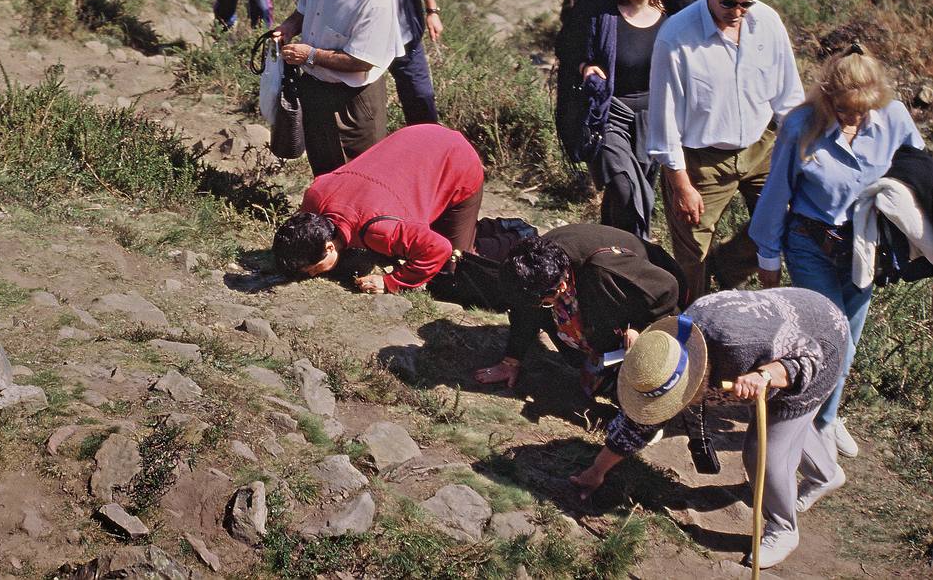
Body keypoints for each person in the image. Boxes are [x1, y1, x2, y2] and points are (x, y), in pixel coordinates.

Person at [570, 288, 849, 569]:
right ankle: (826, 475)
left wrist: (766, 374)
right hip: (776, 346)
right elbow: (638, 426)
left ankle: (784, 529)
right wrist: (596, 471)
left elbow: (808, 355)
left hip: (821, 341)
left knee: (762, 453)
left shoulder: (737, 343)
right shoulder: (665, 356)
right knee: (789, 430)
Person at [750, 48, 923, 462]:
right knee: (826, 340)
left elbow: (917, 168)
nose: (854, 119)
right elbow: (777, 194)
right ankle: (807, 428)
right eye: (845, 109)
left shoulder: (895, 117)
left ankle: (824, 421)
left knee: (847, 343)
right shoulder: (801, 125)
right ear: (829, 97)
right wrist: (768, 260)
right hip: (811, 244)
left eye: (863, 111)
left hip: (866, 249)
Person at [648, 0, 804, 304]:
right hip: (701, 161)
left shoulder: (767, 22)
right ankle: (695, 327)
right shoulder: (676, 37)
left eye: (746, 4)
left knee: (787, 219)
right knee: (692, 256)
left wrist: (799, 155)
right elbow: (664, 119)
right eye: (728, 3)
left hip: (761, 148)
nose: (738, 13)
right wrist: (681, 184)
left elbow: (788, 95)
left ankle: (729, 268)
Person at [472, 225, 681, 398]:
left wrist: (640, 328)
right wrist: (511, 360)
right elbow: (525, 310)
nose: (539, 306)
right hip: (599, 299)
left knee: (634, 384)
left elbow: (667, 288)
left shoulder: (603, 270)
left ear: (561, 287)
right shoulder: (534, 262)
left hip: (649, 299)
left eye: (545, 301)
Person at [271, 124, 484, 293]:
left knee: (453, 272)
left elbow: (438, 249)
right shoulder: (314, 198)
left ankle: (504, 239)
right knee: (419, 232)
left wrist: (392, 282)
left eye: (312, 270)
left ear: (329, 248)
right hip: (416, 137)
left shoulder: (381, 230)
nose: (312, 276)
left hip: (456, 159)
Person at [273, 0, 398, 176]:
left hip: (353, 102)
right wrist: (288, 27)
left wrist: (309, 55)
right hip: (316, 90)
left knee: (359, 175)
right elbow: (303, 13)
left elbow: (361, 61)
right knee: (324, 170)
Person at [574, 0, 670, 238]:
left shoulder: (671, 19)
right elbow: (572, 49)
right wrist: (585, 67)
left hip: (651, 118)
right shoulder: (602, 12)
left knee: (636, 192)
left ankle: (616, 253)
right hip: (610, 112)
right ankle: (634, 251)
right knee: (624, 185)